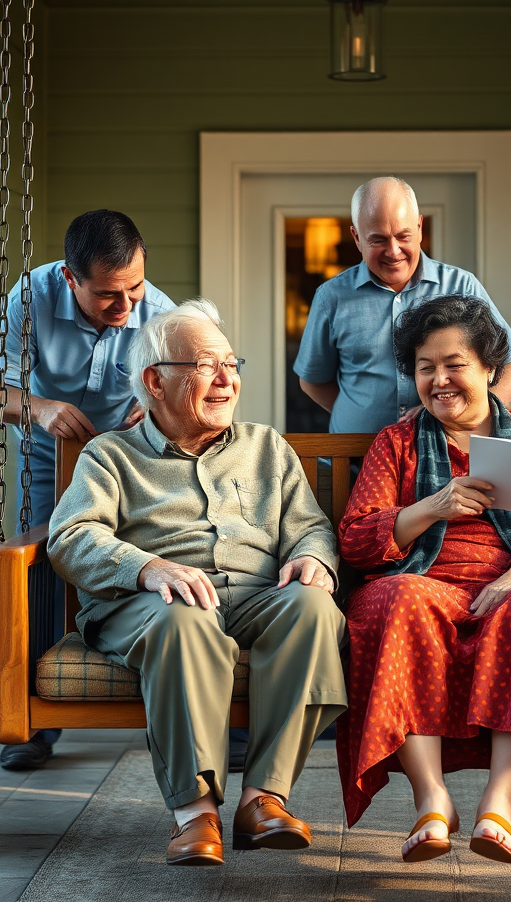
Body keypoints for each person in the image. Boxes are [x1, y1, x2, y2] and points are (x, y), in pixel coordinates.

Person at [47, 299, 347, 867]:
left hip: (257, 596)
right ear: (155, 382)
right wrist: (148, 567)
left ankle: (263, 801)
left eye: (231, 364)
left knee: (314, 609)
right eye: (207, 366)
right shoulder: (110, 456)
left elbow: (310, 525)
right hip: (150, 602)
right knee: (184, 616)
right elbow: (72, 536)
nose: (226, 379)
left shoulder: (266, 447)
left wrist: (315, 560)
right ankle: (196, 813)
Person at [336, 295, 511, 864]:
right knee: (395, 600)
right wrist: (431, 507)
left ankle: (499, 802)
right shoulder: (395, 444)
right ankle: (432, 800)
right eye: (425, 368)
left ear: (489, 368)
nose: (439, 380)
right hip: (423, 578)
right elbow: (358, 537)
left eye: (454, 365)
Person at [0, 209, 175, 770]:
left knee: (159, 555)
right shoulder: (30, 298)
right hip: (49, 456)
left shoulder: (159, 313)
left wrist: (155, 409)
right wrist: (39, 407)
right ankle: (38, 723)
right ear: (70, 278)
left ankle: (188, 703)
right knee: (45, 570)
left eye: (135, 287)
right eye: (109, 295)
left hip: (134, 458)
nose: (127, 306)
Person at [294, 176, 511, 432]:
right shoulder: (332, 297)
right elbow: (313, 381)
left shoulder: (462, 286)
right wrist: (358, 411)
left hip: (443, 459)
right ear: (356, 237)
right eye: (378, 240)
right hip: (354, 460)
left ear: (419, 227)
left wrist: (473, 420)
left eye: (403, 236)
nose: (393, 251)